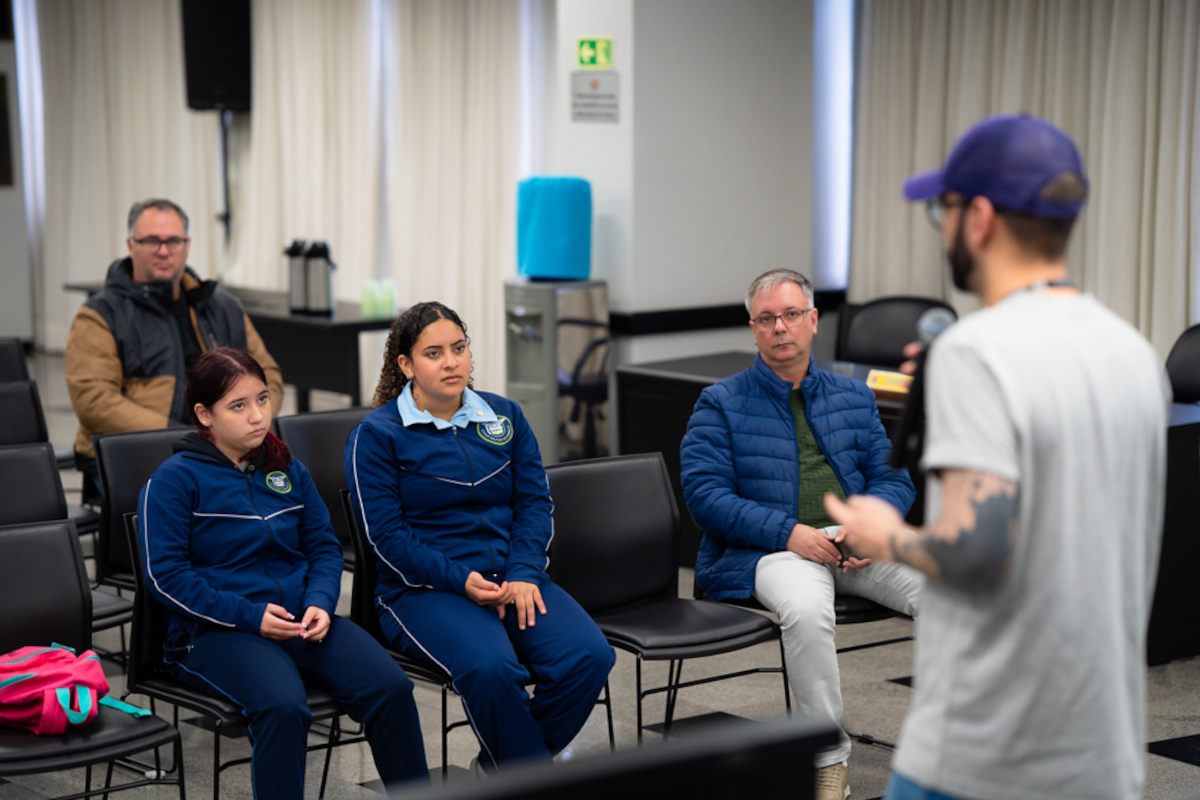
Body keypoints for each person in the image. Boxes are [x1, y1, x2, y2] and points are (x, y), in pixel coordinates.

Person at [825, 114, 1170, 800]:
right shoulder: (1133, 352)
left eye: (942, 209)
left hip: (983, 753)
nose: (942, 226)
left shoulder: (976, 352)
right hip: (1102, 751)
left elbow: (978, 545)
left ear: (978, 218)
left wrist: (882, 533)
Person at [137, 347, 428, 798]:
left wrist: (319, 603)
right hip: (213, 633)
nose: (257, 416)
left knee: (390, 687)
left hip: (299, 621)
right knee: (284, 706)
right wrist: (251, 617)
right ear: (204, 415)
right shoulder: (174, 480)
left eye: (262, 399)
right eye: (238, 406)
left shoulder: (287, 468)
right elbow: (166, 578)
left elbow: (325, 549)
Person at [680, 268, 923, 800]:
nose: (779, 328)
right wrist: (790, 533)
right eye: (766, 319)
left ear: (813, 321)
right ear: (753, 330)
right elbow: (705, 498)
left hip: (853, 540)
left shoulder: (854, 397)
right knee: (808, 614)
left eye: (791, 315)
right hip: (772, 549)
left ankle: (960, 747)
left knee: (949, 593)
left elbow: (893, 477)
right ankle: (828, 760)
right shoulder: (720, 402)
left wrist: (866, 526)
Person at [344, 301, 615, 770]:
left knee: (589, 656)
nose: (451, 362)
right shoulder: (377, 434)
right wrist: (461, 579)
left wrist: (526, 573)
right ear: (406, 364)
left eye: (459, 348)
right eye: (434, 353)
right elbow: (386, 537)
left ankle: (503, 768)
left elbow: (534, 505)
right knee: (492, 670)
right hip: (423, 589)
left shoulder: (505, 416)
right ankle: (530, 778)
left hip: (513, 578)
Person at [66, 198, 282, 498]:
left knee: (280, 502)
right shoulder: (100, 314)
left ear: (187, 244)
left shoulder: (223, 307)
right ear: (131, 245)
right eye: (152, 240)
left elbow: (267, 374)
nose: (164, 250)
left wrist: (245, 425)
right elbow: (95, 402)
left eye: (173, 241)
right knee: (210, 509)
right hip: (134, 456)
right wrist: (184, 438)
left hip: (226, 451)